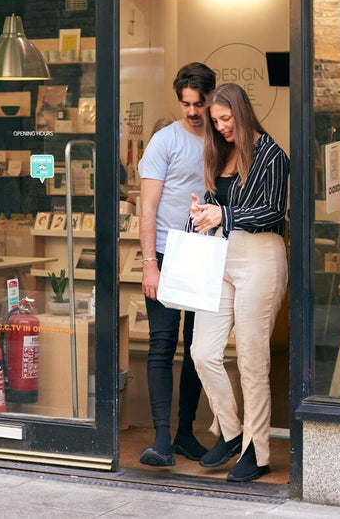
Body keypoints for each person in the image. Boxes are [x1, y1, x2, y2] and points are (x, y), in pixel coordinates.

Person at [187, 83, 289, 483]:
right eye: (216, 121)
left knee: (251, 359)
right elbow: (217, 208)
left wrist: (223, 217)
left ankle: (257, 450)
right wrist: (200, 213)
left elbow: (271, 209)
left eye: (226, 119)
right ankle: (231, 432)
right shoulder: (220, 152)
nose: (221, 127)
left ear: (242, 114)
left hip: (260, 257)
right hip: (221, 256)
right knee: (202, 351)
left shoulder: (272, 154)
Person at [135, 62, 217, 467]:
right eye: (185, 103)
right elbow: (146, 207)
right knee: (162, 345)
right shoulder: (163, 142)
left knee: (197, 349)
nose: (192, 111)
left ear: (211, 100)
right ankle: (162, 438)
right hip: (166, 253)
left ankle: (185, 432)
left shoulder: (221, 139)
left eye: (199, 103)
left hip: (205, 255)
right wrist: (150, 265)